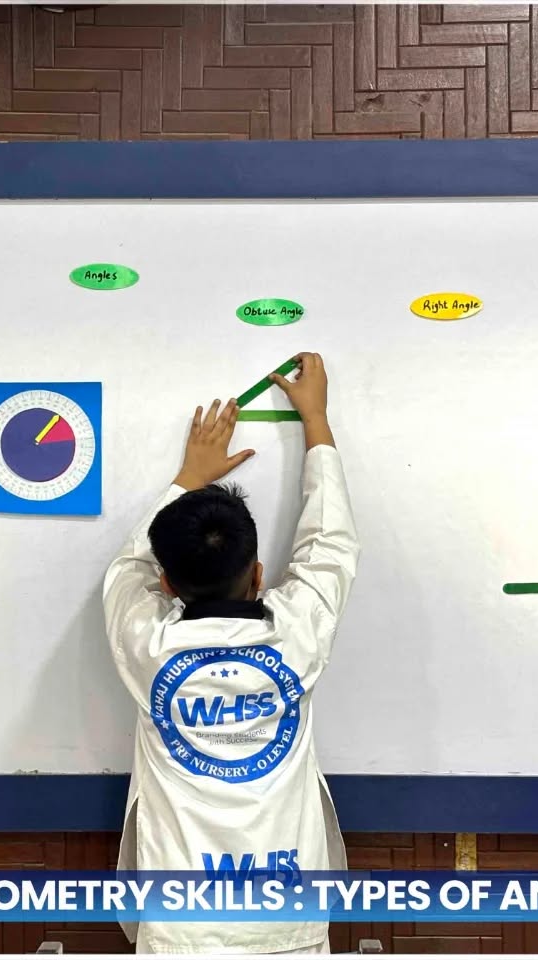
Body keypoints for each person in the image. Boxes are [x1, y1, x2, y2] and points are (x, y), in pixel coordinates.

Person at [103, 353, 359, 954]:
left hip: (179, 934)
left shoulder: (149, 646)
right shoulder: (296, 636)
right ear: (260, 575)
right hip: (287, 929)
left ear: (166, 585)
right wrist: (316, 421)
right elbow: (330, 543)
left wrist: (188, 478)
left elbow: (127, 568)